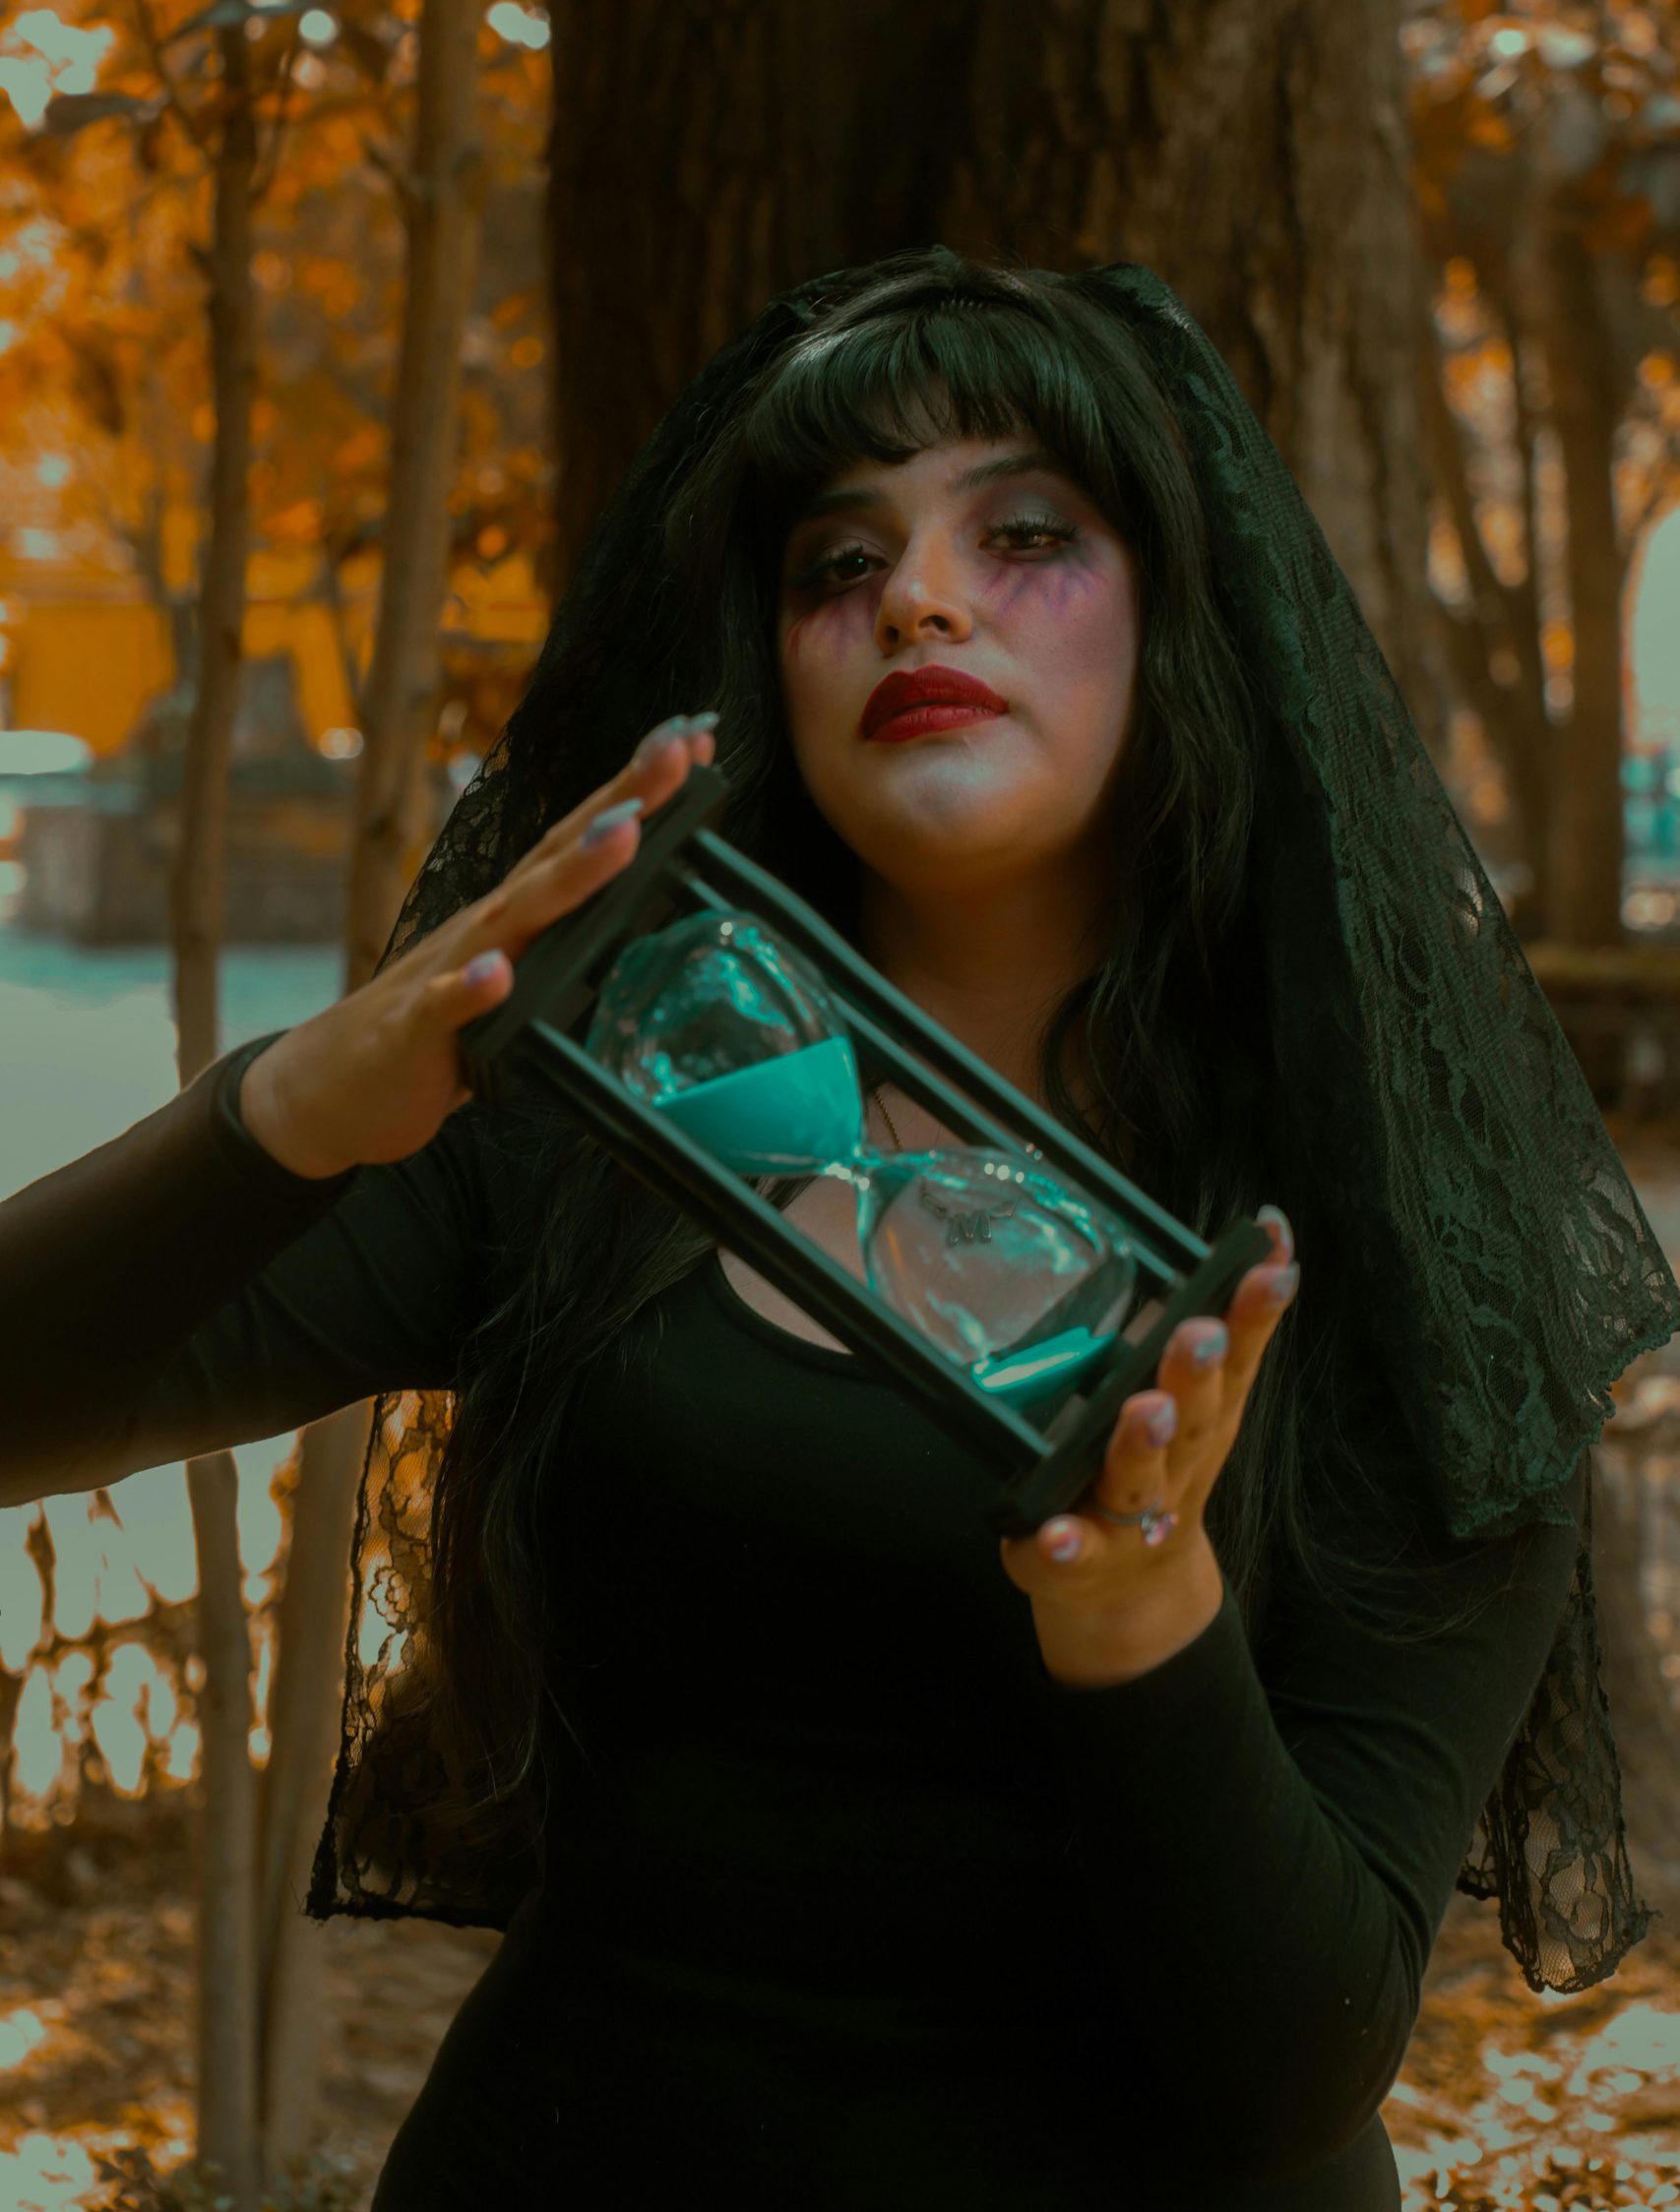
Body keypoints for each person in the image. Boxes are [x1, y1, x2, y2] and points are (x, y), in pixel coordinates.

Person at [3, 247, 1669, 2211]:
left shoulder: (1386, 1240)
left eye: (1024, 534)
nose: (918, 598)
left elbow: (1288, 2060)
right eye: (838, 560)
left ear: (1181, 621)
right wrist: (285, 1110)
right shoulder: (598, 1128)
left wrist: (1141, 1618)